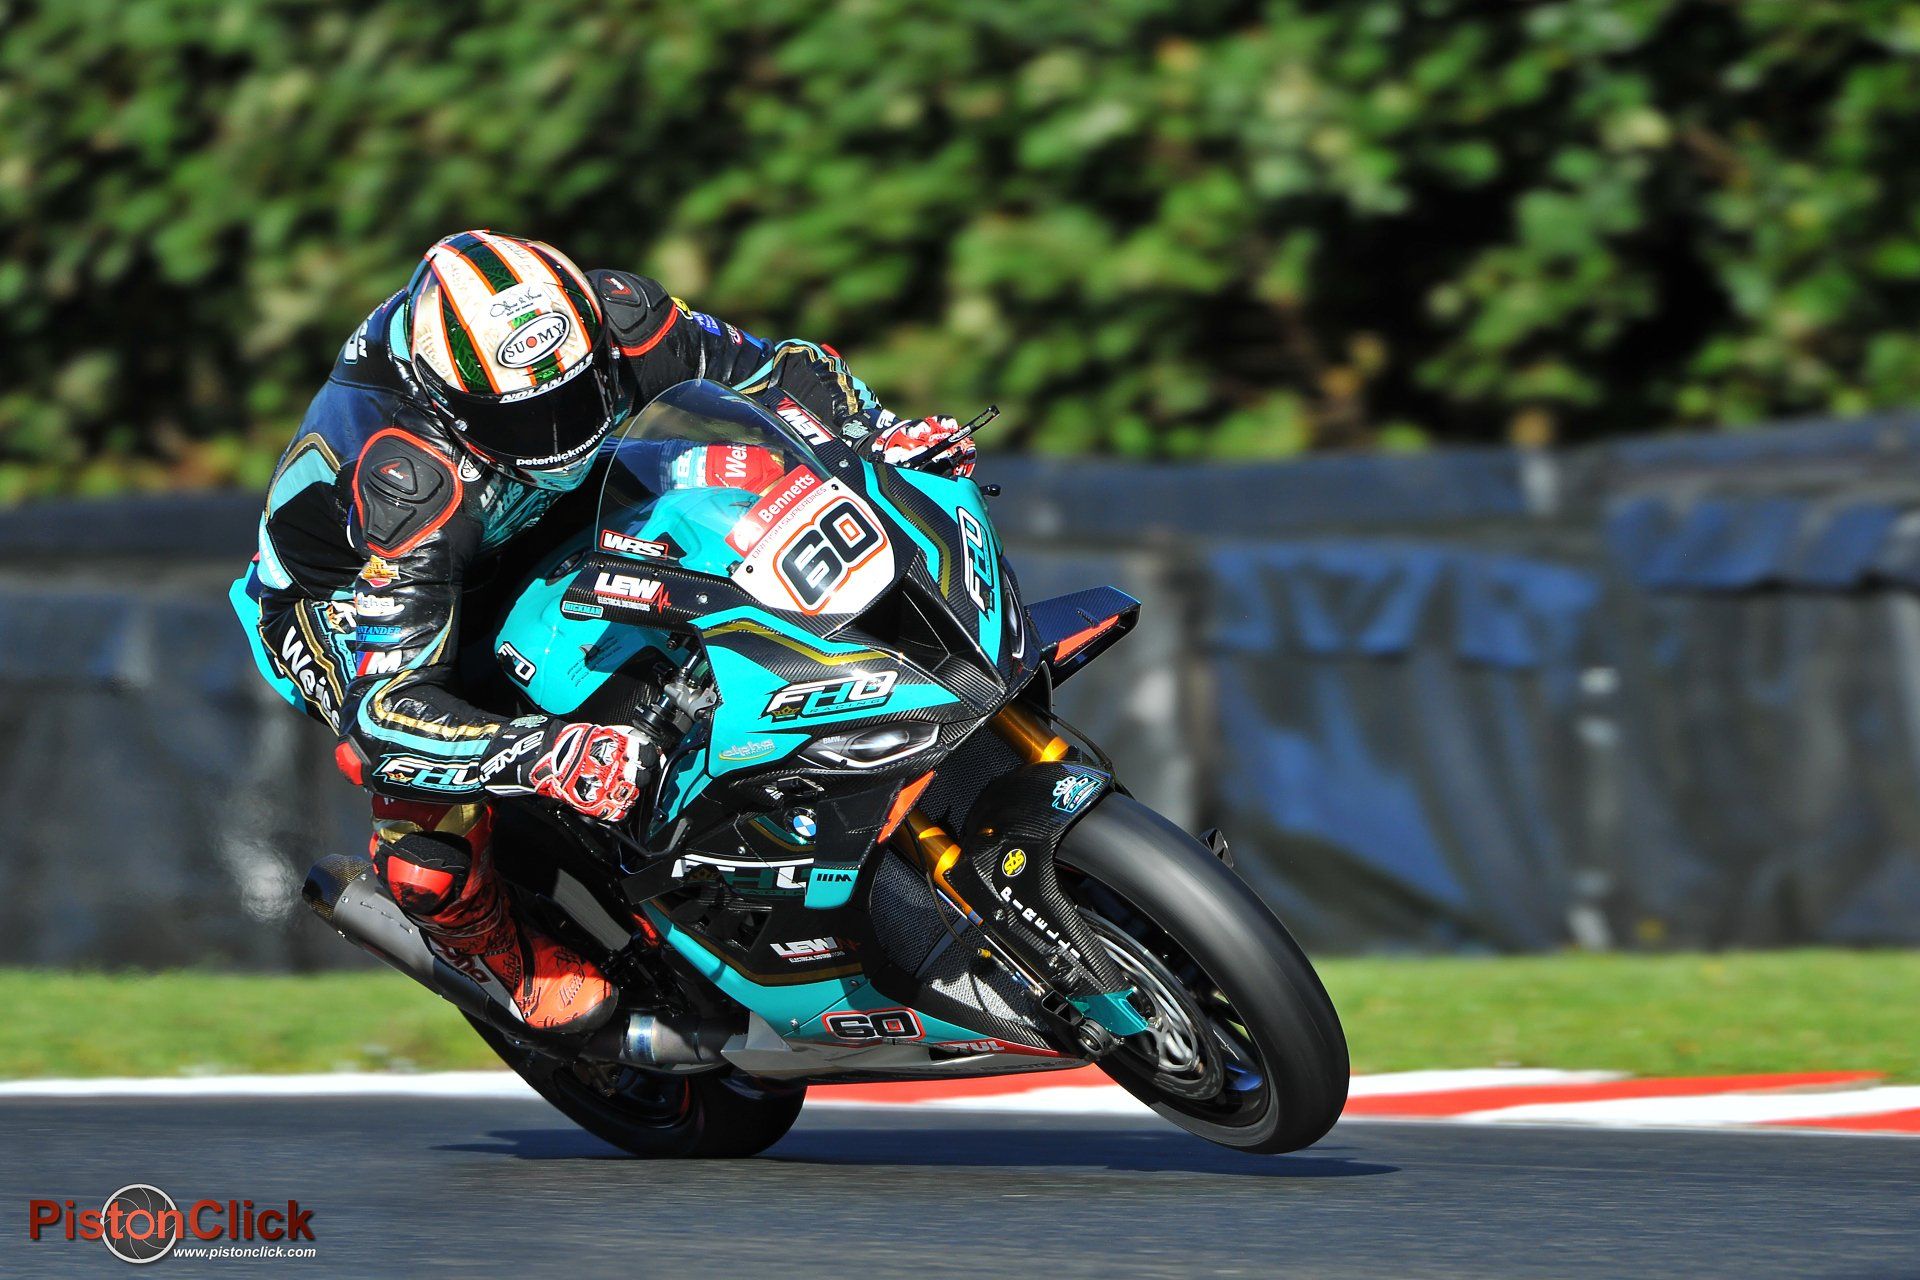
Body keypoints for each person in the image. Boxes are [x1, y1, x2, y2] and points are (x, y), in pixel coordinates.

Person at [232, 229, 975, 1033]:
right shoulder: (409, 479)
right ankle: (483, 938)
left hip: (540, 509)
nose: (561, 432)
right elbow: (385, 707)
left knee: (728, 507)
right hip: (343, 593)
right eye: (528, 418)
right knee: (421, 797)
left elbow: (780, 373)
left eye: (577, 395)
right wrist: (541, 752)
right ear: (452, 403)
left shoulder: (624, 315)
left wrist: (877, 432)